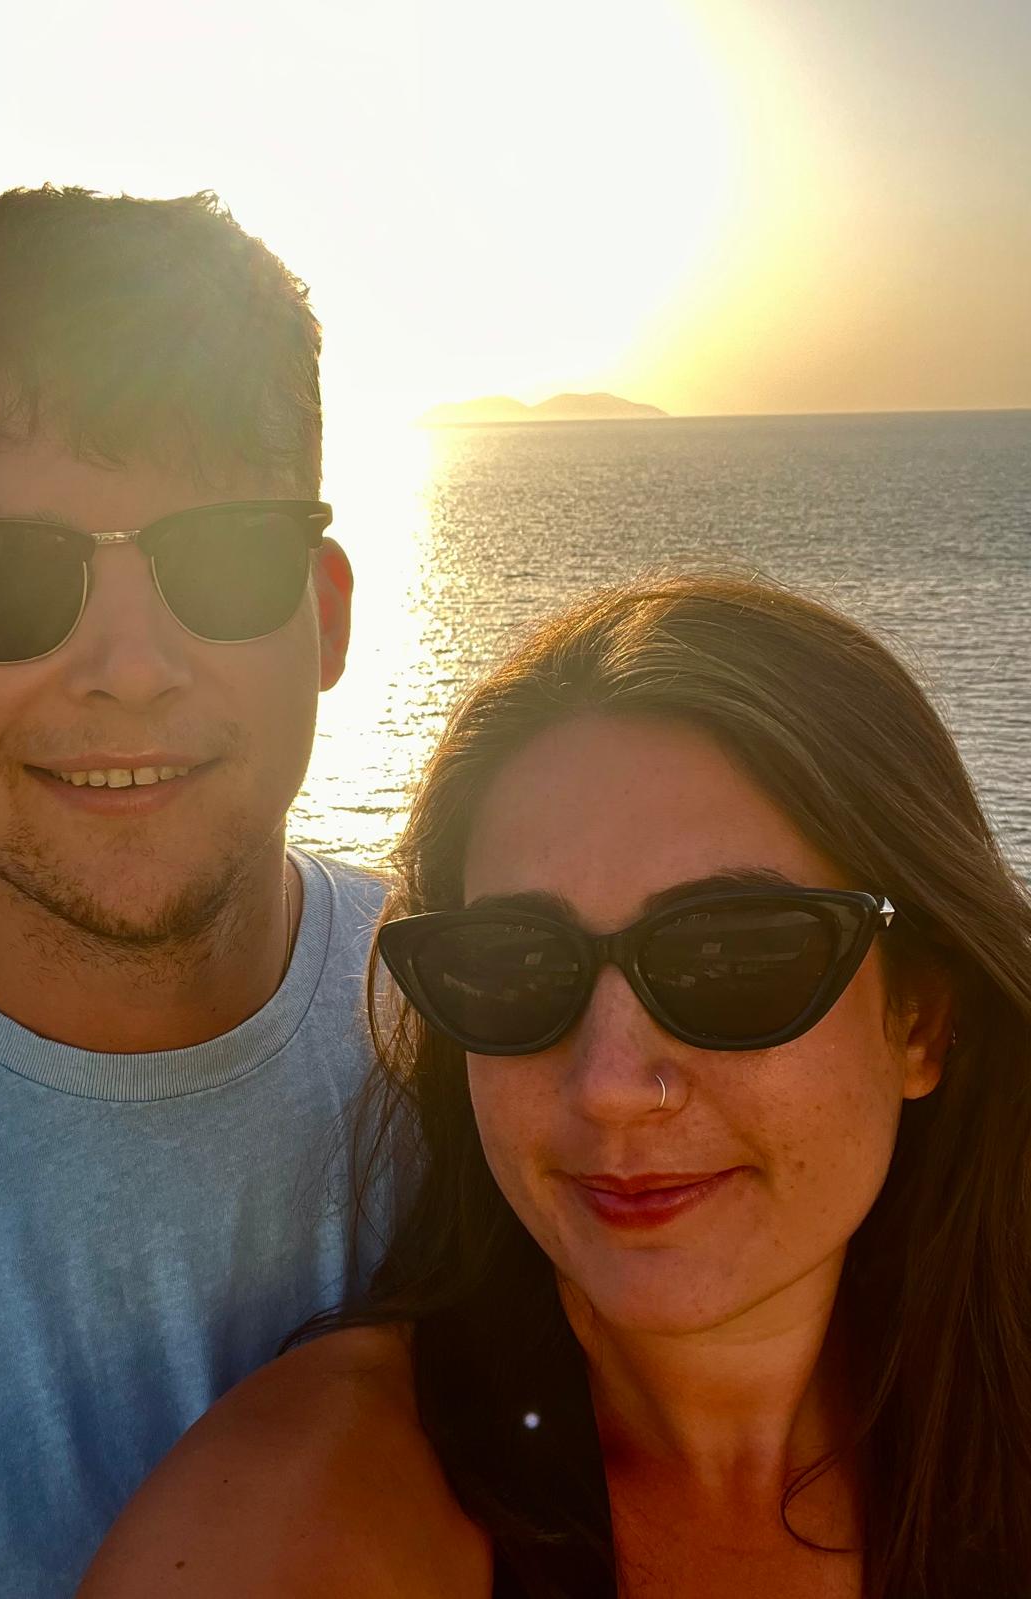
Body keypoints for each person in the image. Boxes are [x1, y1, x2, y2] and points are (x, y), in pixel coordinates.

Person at [82, 575, 1031, 1598]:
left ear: (921, 1020)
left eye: (733, 960)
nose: (614, 1086)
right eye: (514, 968)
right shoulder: (297, 1522)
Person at [0, 186, 389, 1599]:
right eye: (8, 576)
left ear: (323, 612)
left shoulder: (538, 1050)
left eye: (220, 554)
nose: (128, 664)